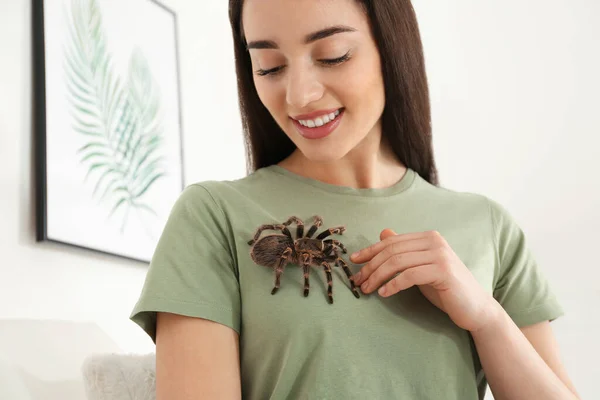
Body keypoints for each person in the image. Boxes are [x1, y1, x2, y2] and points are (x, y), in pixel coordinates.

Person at [130, 1, 580, 399]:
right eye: (268, 65)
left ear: (392, 47)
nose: (299, 95)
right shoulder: (215, 217)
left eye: (332, 56)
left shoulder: (487, 225)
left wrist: (487, 319)